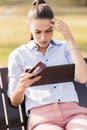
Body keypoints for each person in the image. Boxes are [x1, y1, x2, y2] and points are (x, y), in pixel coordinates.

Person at [7, 0, 87, 130]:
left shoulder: (65, 48)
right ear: (29, 28)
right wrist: (22, 86)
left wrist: (70, 39)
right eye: (38, 32)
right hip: (43, 119)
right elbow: (14, 101)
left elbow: (83, 78)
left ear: (54, 27)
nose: (43, 37)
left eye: (49, 31)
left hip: (74, 114)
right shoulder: (19, 55)